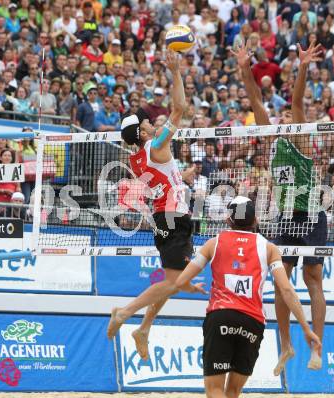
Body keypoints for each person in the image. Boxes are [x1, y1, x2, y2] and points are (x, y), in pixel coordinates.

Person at [235, 39, 326, 374]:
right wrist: (245, 67)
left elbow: (298, 100)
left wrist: (302, 67)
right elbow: (255, 97)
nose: (287, 115)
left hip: (312, 213)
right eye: (284, 113)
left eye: (291, 114)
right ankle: (286, 346)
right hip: (286, 217)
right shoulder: (273, 139)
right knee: (281, 279)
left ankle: (317, 345)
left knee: (312, 276)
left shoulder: (301, 137)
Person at [106, 50, 204, 359]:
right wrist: (176, 71)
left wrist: (182, 176)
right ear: (143, 131)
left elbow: (162, 177)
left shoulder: (136, 158)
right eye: (148, 122)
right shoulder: (155, 146)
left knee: (172, 280)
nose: (152, 122)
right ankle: (126, 312)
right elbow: (180, 108)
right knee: (175, 282)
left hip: (166, 216)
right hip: (173, 217)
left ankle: (144, 327)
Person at [175, 196, 321, 398]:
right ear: (256, 221)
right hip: (252, 322)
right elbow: (286, 291)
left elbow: (180, 281)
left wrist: (191, 288)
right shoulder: (269, 248)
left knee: (215, 390)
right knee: (233, 392)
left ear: (228, 220)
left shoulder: (213, 244)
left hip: (221, 316)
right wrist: (306, 328)